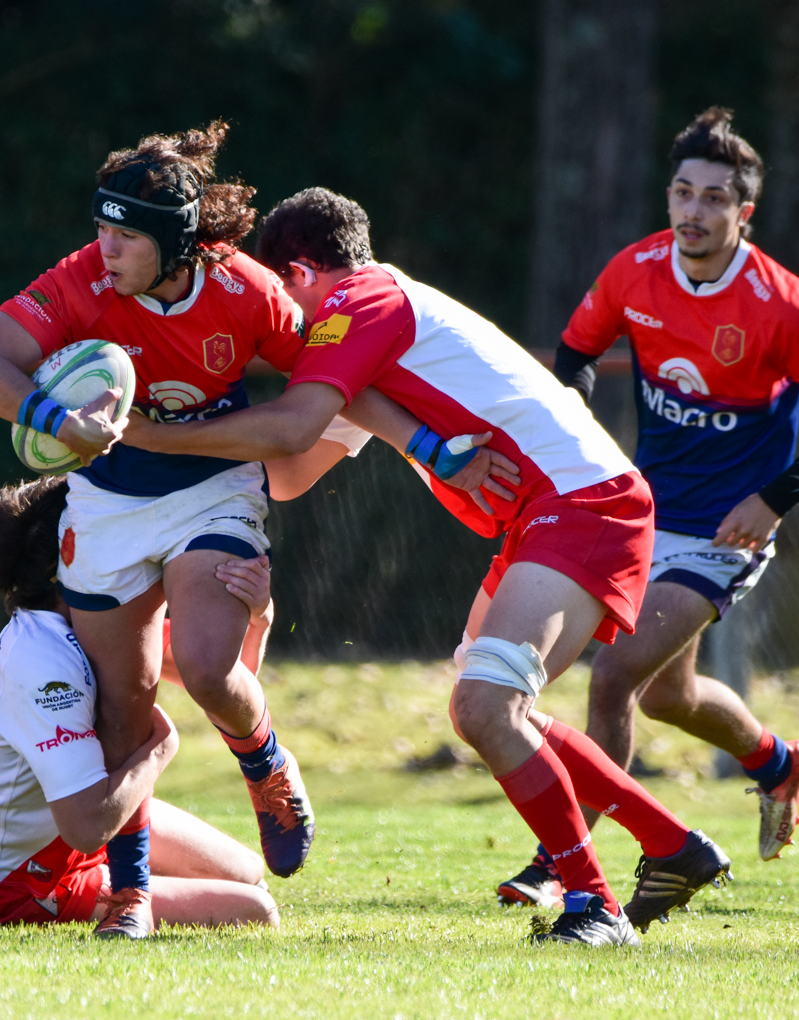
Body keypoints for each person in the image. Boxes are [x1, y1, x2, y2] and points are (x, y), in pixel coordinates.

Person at [124, 187, 731, 946]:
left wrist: (155, 435)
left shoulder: (361, 299)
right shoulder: (360, 339)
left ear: (304, 274)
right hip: (547, 514)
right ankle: (673, 845)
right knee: (494, 710)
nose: (267, 316)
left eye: (273, 293)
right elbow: (287, 472)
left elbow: (290, 425)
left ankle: (594, 905)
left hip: (583, 504)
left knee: (487, 705)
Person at [495, 107, 799, 907]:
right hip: (642, 516)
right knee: (669, 695)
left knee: (613, 683)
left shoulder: (789, 307)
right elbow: (573, 358)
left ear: (744, 213)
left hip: (724, 533)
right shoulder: (633, 271)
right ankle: (776, 761)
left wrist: (774, 500)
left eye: (713, 198)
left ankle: (558, 861)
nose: (693, 212)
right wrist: (580, 443)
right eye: (682, 193)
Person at [0, 122, 321, 939]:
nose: (103, 247)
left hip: (213, 487)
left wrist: (431, 441)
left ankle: (264, 763)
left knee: (207, 663)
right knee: (125, 705)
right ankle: (131, 892)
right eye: (101, 228)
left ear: (171, 240)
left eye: (123, 234)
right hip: (109, 500)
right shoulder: (83, 279)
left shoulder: (248, 291)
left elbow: (326, 374)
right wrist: (57, 420)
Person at [0, 478, 277, 932]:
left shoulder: (98, 625)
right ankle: (114, 891)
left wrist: (258, 616)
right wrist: (159, 749)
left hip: (81, 826)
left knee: (249, 873)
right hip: (23, 881)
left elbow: (225, 682)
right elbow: (85, 827)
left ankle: (127, 884)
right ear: (71, 555)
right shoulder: (45, 666)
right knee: (256, 910)